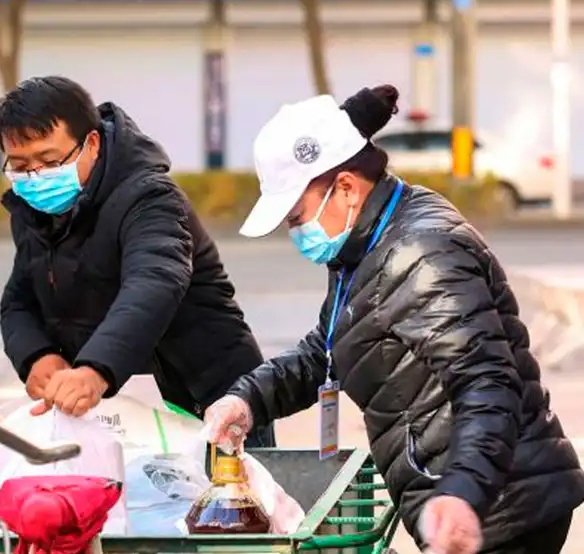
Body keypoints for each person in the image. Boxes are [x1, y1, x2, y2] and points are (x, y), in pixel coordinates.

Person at [203, 85, 584, 554]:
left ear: (345, 187)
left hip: (499, 510)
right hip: (470, 499)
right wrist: (247, 400)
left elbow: (487, 381)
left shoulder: (419, 251)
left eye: (296, 215)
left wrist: (464, 493)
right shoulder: (363, 248)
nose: (294, 232)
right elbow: (325, 350)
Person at [0, 75, 274, 448]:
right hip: (111, 414)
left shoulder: (150, 197)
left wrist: (95, 369)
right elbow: (20, 296)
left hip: (205, 398)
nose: (35, 178)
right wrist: (37, 356)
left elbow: (155, 282)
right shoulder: (32, 209)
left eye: (48, 161)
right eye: (20, 166)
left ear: (91, 144)